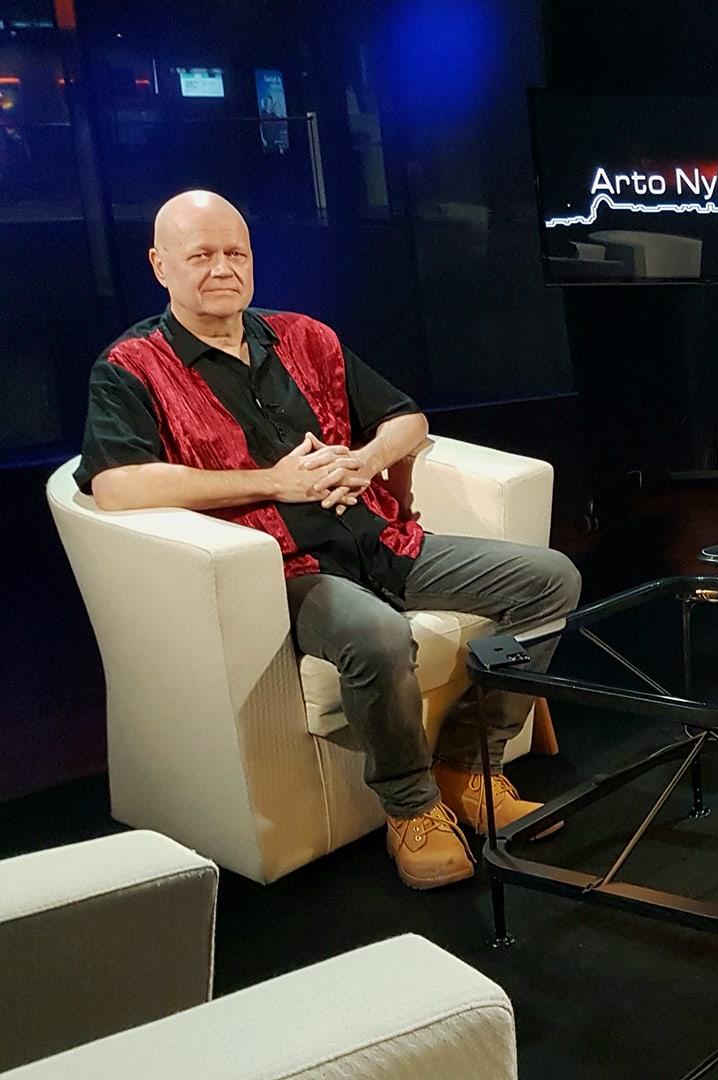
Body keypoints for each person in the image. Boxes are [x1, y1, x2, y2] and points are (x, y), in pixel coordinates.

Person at [77, 190, 583, 891]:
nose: (222, 269)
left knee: (552, 580)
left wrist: (364, 462)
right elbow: (115, 486)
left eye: (235, 253)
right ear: (160, 265)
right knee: (376, 634)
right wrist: (274, 483)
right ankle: (412, 808)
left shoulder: (304, 336)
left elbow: (407, 420)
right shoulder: (131, 367)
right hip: (283, 569)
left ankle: (470, 764)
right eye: (201, 256)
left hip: (381, 541)